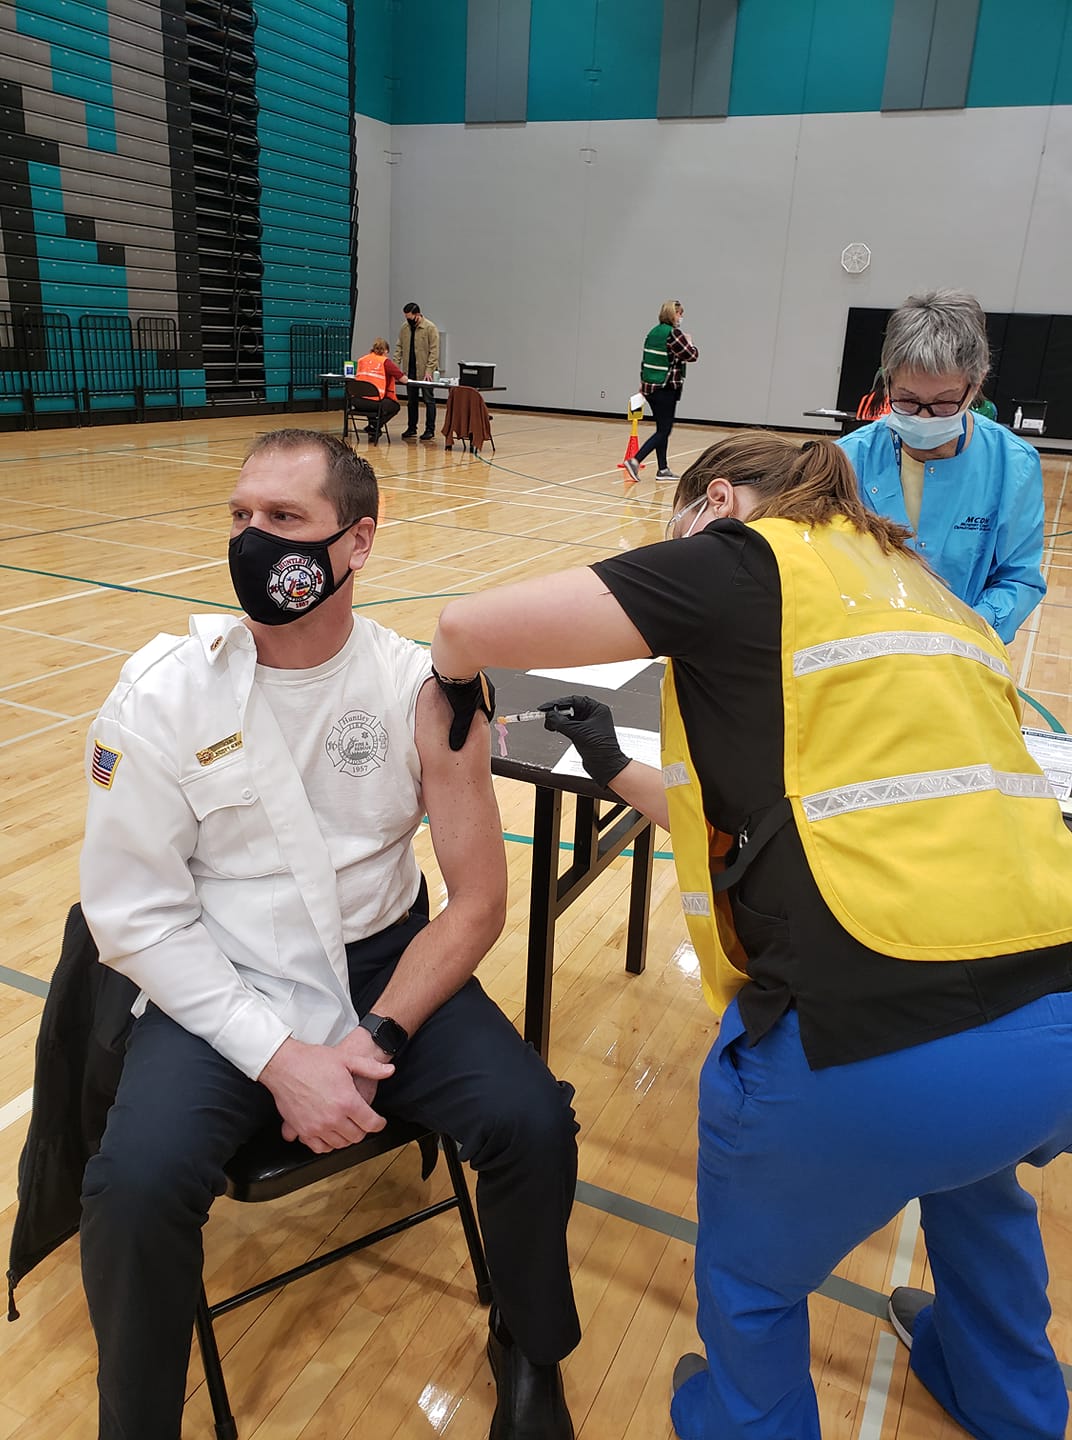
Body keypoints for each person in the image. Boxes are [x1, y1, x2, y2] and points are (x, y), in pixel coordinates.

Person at [430, 431, 1072, 1440]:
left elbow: (466, 627)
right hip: (1048, 1032)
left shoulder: (741, 556)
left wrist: (455, 683)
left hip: (865, 1044)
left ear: (717, 501)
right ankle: (1007, 1400)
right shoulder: (921, 591)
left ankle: (737, 1417)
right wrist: (610, 766)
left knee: (751, 1283)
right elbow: (791, 817)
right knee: (977, 1187)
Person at [78, 429, 579, 1440]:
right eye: (239, 517)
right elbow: (132, 915)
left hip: (387, 964)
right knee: (134, 1185)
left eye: (285, 520)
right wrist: (277, 1058)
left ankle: (529, 1348)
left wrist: (375, 1038)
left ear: (358, 543)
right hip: (224, 973)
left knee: (532, 1123)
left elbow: (477, 899)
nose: (252, 541)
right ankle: (135, 1423)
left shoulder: (422, 694)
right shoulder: (163, 696)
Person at [840, 289, 1046, 643]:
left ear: (976, 384)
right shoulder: (846, 459)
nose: (924, 417)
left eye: (945, 403)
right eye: (906, 400)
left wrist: (965, 631)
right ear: (886, 379)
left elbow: (1017, 578)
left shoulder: (1013, 466)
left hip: (961, 652)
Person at [623, 299, 699, 484]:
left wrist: (643, 383)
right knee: (664, 430)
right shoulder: (673, 334)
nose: (681, 317)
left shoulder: (653, 333)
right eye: (679, 313)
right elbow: (691, 355)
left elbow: (645, 360)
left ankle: (662, 469)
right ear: (672, 314)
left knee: (661, 428)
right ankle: (635, 461)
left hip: (650, 388)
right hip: (666, 388)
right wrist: (690, 343)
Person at [393, 301, 440, 441]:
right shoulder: (404, 328)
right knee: (411, 401)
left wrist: (429, 371)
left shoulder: (430, 328)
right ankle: (411, 427)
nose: (408, 320)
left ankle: (429, 429)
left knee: (428, 400)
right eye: (406, 317)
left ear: (417, 315)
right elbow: (399, 348)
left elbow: (434, 351)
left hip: (425, 372)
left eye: (410, 317)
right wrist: (396, 369)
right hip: (410, 371)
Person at [351, 336, 403, 442]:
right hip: (374, 402)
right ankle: (375, 426)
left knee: (373, 404)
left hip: (357, 401)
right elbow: (403, 379)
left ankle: (373, 428)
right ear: (386, 351)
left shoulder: (362, 360)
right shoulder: (385, 362)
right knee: (395, 406)